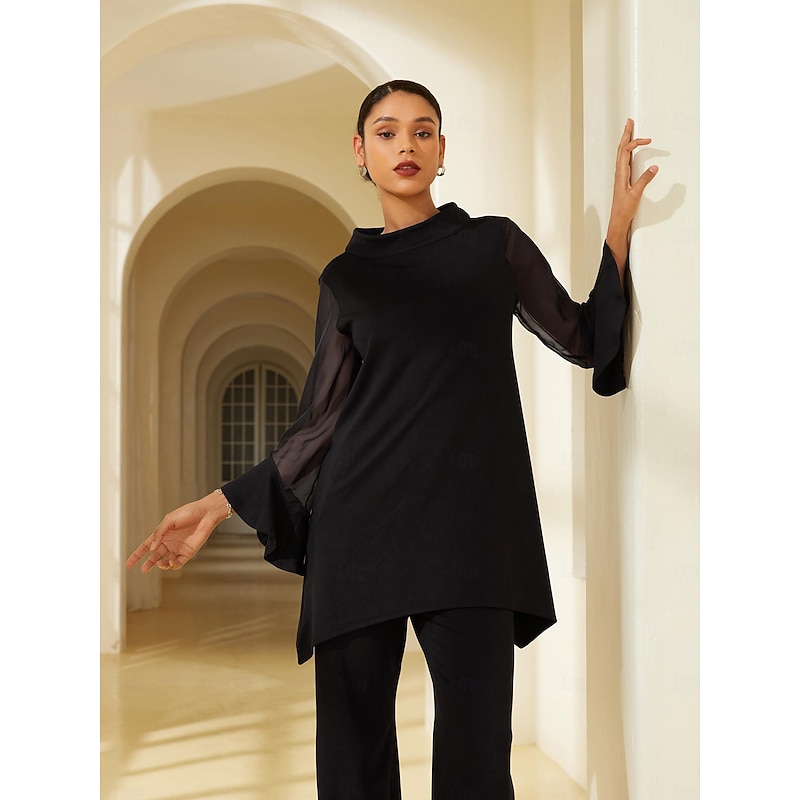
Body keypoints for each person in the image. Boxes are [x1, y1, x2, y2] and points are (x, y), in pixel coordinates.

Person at [127, 79, 657, 799]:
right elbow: (321, 421)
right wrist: (220, 504)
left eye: (422, 130)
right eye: (386, 131)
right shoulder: (346, 278)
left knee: (477, 759)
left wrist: (618, 228)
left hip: (470, 534)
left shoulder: (493, 245)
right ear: (360, 151)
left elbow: (585, 337)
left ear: (441, 150)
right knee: (355, 761)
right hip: (360, 533)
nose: (405, 144)